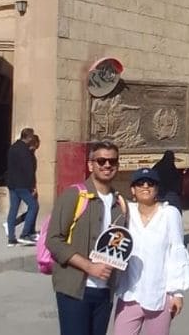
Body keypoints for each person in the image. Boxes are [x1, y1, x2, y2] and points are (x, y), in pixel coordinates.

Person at [46, 141, 128, 335]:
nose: (107, 165)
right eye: (101, 161)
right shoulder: (75, 195)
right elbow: (54, 240)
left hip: (104, 291)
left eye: (112, 161)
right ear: (91, 165)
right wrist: (89, 267)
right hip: (75, 289)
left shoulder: (120, 203)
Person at [113, 168, 189, 335]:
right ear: (133, 190)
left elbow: (176, 252)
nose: (145, 186)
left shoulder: (169, 214)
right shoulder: (127, 213)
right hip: (130, 294)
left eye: (150, 183)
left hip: (159, 295)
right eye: (140, 183)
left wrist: (177, 293)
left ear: (157, 189)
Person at [6, 127, 39, 247]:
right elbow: (28, 169)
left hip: (12, 184)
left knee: (13, 209)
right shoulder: (25, 150)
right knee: (33, 206)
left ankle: (11, 238)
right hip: (22, 184)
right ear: (29, 137)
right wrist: (32, 186)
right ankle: (24, 234)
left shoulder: (13, 147)